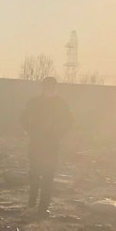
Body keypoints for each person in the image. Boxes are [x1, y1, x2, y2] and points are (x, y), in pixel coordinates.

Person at [21, 77, 73, 217]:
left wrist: (58, 134)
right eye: (47, 87)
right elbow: (24, 119)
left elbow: (69, 122)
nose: (49, 90)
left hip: (51, 145)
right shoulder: (34, 103)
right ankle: (32, 205)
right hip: (37, 144)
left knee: (48, 177)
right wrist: (32, 131)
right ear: (43, 88)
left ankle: (43, 208)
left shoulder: (61, 104)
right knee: (34, 175)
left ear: (55, 88)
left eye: (51, 87)